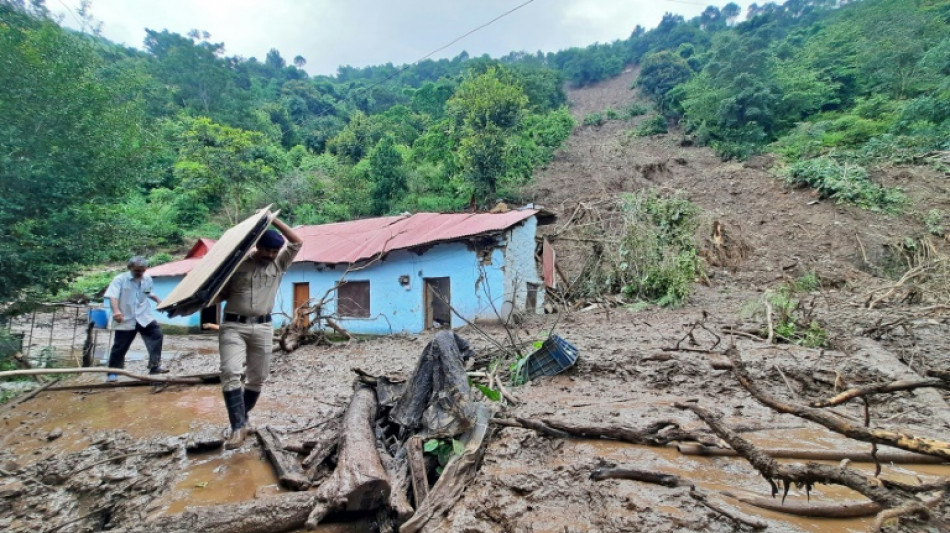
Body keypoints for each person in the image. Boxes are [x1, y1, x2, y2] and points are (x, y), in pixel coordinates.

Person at [215, 218, 302, 449]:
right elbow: (219, 293)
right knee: (231, 371)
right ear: (257, 248)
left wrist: (274, 220)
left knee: (258, 377)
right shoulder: (237, 265)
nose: (272, 255)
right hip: (234, 326)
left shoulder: (279, 264)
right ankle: (237, 427)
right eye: (268, 251)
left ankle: (242, 419)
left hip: (263, 328)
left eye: (275, 251)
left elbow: (297, 242)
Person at [104, 256, 167, 382]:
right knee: (120, 345)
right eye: (137, 270)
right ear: (130, 268)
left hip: (144, 316)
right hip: (126, 317)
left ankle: (154, 366)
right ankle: (113, 372)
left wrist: (159, 301)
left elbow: (148, 292)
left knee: (157, 335)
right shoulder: (120, 280)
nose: (140, 273)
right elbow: (113, 297)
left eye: (142, 270)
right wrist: (116, 311)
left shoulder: (147, 279)